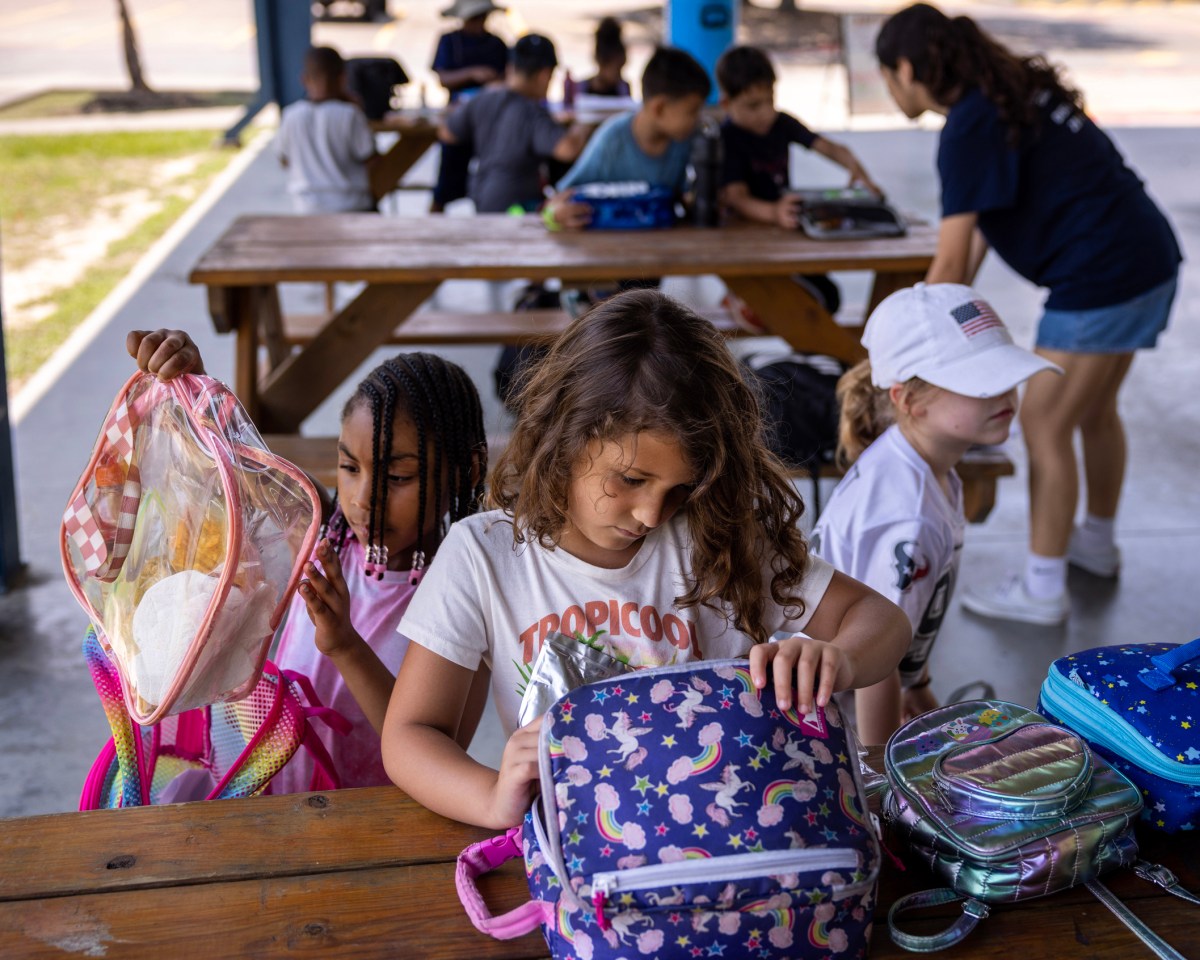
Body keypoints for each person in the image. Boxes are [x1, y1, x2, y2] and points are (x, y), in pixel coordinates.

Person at [381, 289, 912, 829]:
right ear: (563, 438)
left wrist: (839, 658)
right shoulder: (485, 554)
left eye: (682, 487)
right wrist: (492, 797)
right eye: (631, 480)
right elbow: (410, 735)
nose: (654, 514)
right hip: (581, 845)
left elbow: (883, 621)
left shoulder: (716, 536)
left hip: (729, 832)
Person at [876, 4, 1182, 625]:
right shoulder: (1011, 91)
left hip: (1101, 276)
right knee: (1093, 411)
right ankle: (1093, 544)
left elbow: (953, 261)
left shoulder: (967, 125)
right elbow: (982, 232)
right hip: (1147, 258)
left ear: (906, 69)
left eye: (886, 75)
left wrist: (897, 358)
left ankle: (1043, 587)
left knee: (1043, 422)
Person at [125, 329, 491, 793]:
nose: (363, 500)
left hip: (368, 830)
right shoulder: (322, 533)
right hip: (271, 795)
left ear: (468, 471)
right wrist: (193, 381)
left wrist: (345, 646)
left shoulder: (471, 596)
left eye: (398, 476)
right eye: (350, 468)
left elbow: (444, 748)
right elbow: (235, 463)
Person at [811, 284, 1060, 743]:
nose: (1005, 393)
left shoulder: (925, 467)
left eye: (1006, 376)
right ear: (909, 400)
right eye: (980, 381)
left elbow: (902, 631)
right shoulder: (909, 516)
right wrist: (887, 778)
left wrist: (918, 685)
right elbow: (874, 665)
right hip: (833, 722)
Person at [715, 44, 881, 325]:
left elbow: (829, 147)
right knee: (812, 300)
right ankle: (741, 296)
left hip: (783, 233)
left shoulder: (781, 123)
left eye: (770, 100)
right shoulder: (727, 137)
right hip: (744, 239)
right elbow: (735, 197)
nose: (766, 113)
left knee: (829, 296)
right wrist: (774, 212)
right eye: (753, 106)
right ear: (727, 104)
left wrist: (861, 175)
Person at [543, 46, 711, 230]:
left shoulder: (689, 140)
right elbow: (555, 202)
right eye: (692, 112)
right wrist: (555, 214)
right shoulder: (612, 141)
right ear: (659, 108)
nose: (698, 119)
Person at [439, 34, 589, 213]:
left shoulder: (483, 98)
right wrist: (581, 127)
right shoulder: (532, 111)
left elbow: (446, 133)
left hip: (482, 201)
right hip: (516, 208)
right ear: (544, 75)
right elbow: (567, 150)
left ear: (511, 68)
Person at [276, 46, 378, 214]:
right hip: (351, 205)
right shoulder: (350, 114)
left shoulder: (290, 115)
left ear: (304, 79)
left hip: (307, 207)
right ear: (343, 79)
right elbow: (371, 159)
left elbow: (284, 160)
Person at [431, 0, 510, 213]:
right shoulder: (449, 41)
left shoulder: (496, 44)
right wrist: (472, 73)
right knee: (448, 175)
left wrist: (494, 83)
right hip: (458, 117)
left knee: (493, 175)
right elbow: (443, 77)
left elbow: (509, 78)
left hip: (492, 119)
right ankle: (434, 220)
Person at [565, 16, 630, 101]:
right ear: (602, 62)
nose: (620, 75)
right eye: (617, 69)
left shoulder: (623, 89)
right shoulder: (580, 90)